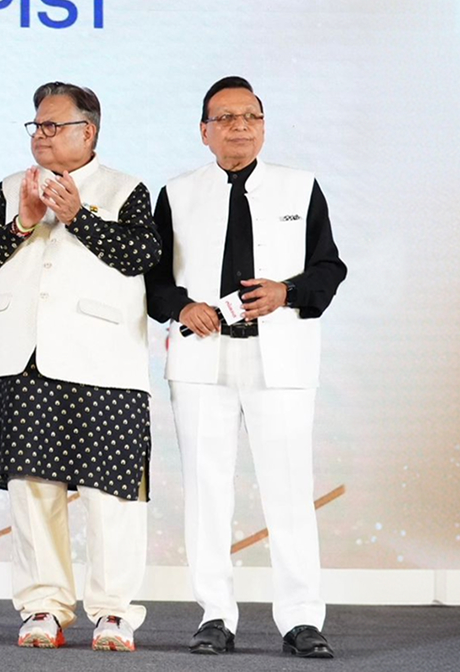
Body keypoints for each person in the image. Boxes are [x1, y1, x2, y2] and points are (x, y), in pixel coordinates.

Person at [146, 76, 347, 659]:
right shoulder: (177, 192)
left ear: (263, 124)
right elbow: (154, 279)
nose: (240, 127)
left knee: (289, 490)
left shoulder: (300, 186)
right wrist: (182, 307)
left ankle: (302, 619)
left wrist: (287, 292)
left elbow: (329, 268)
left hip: (278, 356)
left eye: (251, 117)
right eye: (226, 118)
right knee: (207, 491)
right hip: (201, 356)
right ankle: (214, 615)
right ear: (204, 130)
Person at [0, 82, 159, 652]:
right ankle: (43, 605)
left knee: (111, 495)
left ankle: (114, 611)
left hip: (104, 360)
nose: (41, 136)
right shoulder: (9, 188)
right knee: (32, 488)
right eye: (36, 127)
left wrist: (80, 217)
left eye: (52, 126)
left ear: (87, 131)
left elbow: (141, 256)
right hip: (21, 356)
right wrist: (23, 220)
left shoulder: (126, 189)